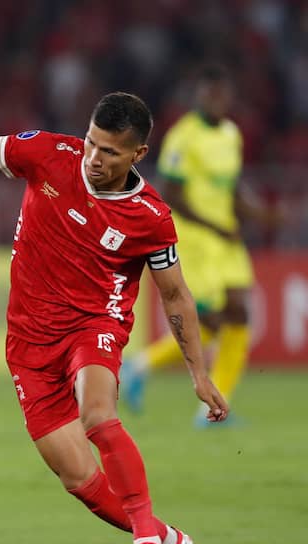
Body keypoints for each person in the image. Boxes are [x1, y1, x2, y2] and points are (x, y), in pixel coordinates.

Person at [0, 92, 228, 544]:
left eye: (111, 152)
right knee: (77, 477)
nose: (95, 159)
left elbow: (176, 295)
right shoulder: (49, 154)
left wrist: (198, 373)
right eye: (92, 144)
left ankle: (145, 541)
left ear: (138, 155)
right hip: (28, 343)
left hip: (93, 325)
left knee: (98, 415)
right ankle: (167, 538)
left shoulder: (150, 218)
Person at [120, 65, 278, 425]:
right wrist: (215, 227)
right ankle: (142, 368)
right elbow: (173, 194)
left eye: (223, 94)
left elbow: (233, 188)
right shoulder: (183, 137)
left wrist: (259, 215)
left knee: (239, 314)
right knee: (208, 320)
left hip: (226, 238)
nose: (217, 101)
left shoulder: (231, 134)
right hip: (195, 239)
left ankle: (211, 409)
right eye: (210, 94)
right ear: (199, 96)